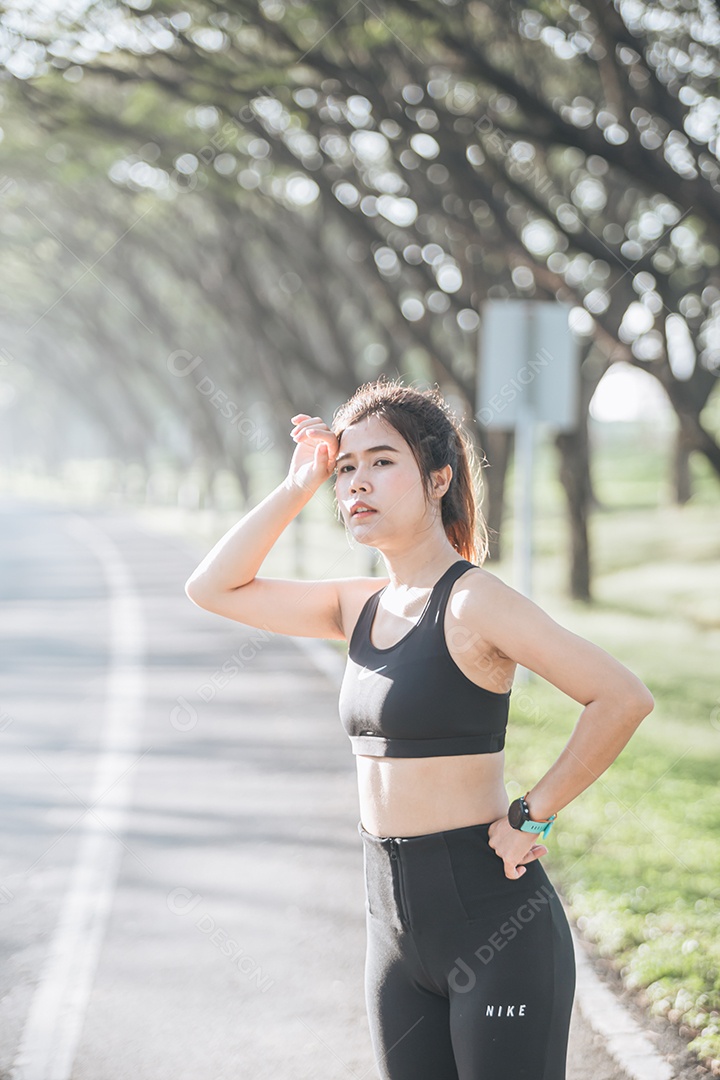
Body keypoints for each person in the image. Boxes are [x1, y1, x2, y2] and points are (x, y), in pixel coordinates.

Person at [184, 376, 655, 1080]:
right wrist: (298, 485)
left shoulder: (473, 602)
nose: (357, 484)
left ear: (438, 478)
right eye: (346, 468)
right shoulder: (360, 606)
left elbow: (621, 696)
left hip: (490, 920)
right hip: (390, 928)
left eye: (381, 461)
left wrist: (535, 813)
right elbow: (214, 587)